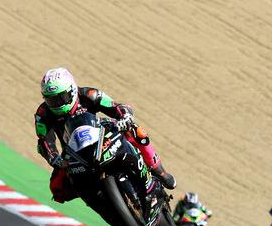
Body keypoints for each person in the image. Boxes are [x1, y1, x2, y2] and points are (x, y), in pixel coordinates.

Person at [34, 67, 176, 203]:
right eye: (51, 100)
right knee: (57, 189)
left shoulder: (89, 94)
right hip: (73, 153)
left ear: (71, 90)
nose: (56, 104)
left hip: (101, 134)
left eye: (61, 98)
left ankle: (159, 171)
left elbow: (115, 107)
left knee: (135, 130)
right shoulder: (43, 114)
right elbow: (44, 141)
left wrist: (125, 117)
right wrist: (54, 158)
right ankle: (95, 199)